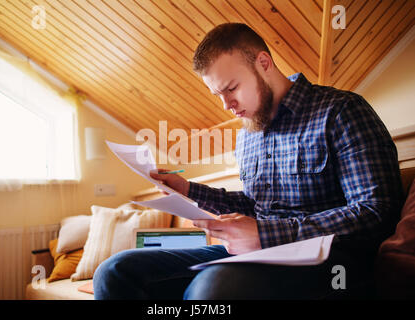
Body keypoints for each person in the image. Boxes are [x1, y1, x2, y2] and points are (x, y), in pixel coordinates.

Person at [93, 23, 404, 299]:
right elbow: (255, 205)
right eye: (218, 94)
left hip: (330, 260)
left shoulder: (341, 111)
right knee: (115, 271)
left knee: (213, 289)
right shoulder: (248, 134)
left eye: (231, 88)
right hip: (258, 252)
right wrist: (187, 189)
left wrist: (266, 234)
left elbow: (375, 212)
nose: (227, 105)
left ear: (263, 63)